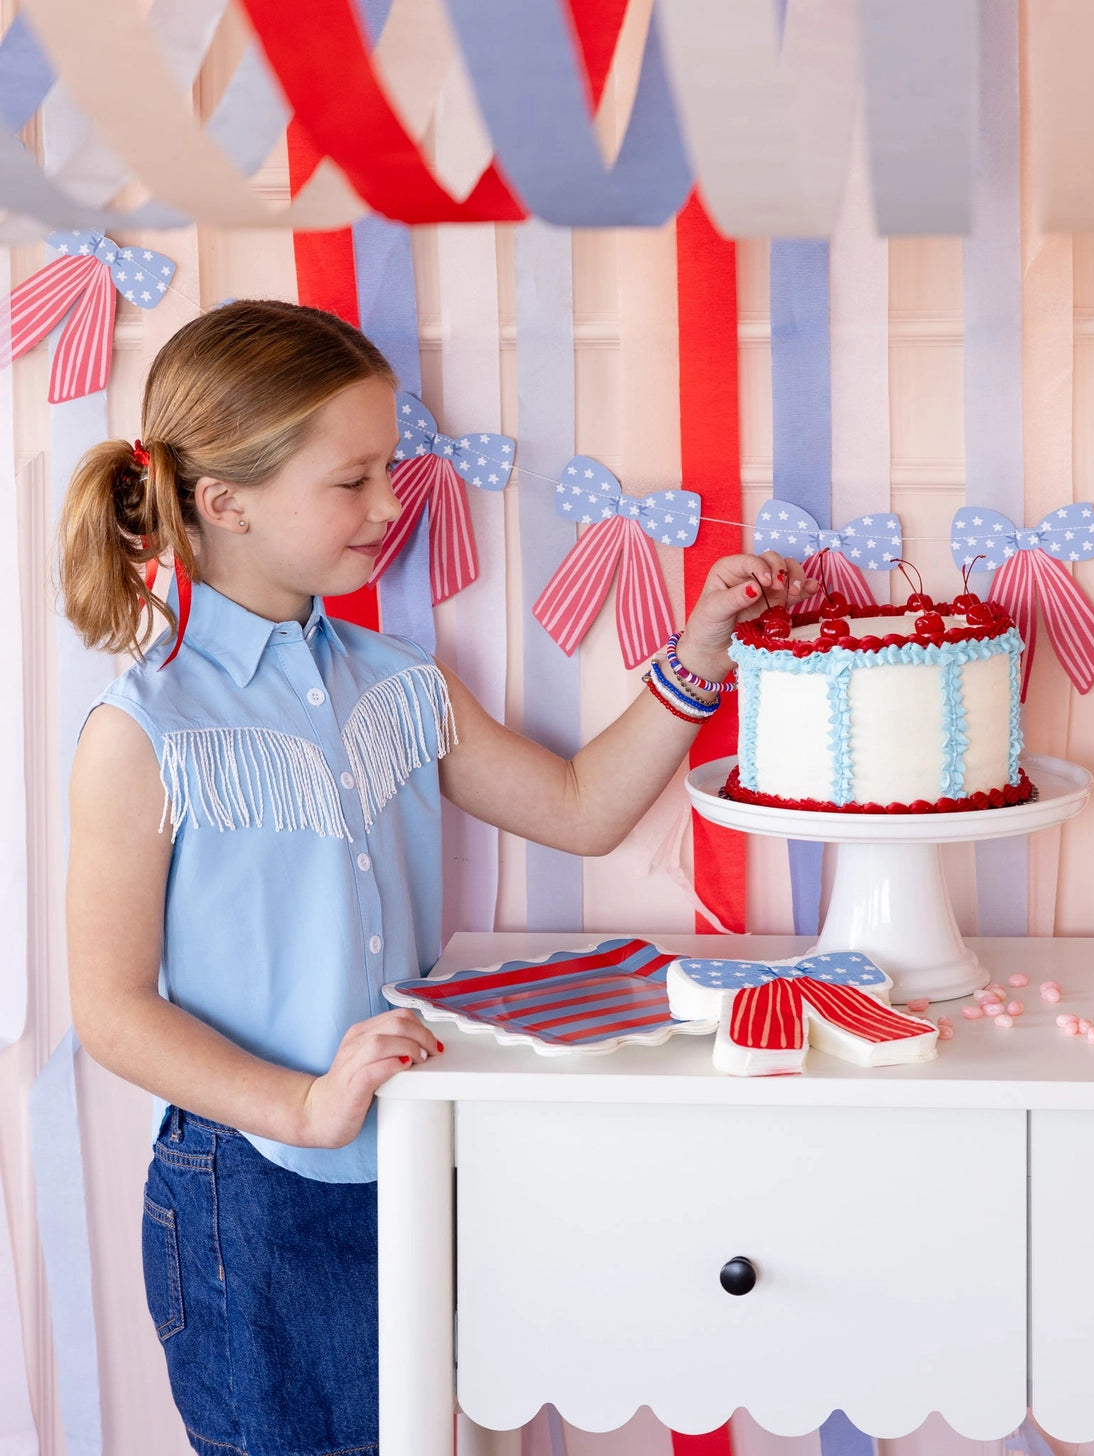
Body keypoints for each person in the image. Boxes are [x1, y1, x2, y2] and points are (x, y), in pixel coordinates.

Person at [61, 299, 815, 1456]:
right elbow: (111, 1011)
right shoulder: (143, 728)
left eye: (391, 470)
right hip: (251, 1183)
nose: (389, 503)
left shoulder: (397, 682)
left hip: (410, 1153)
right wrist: (302, 1107)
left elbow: (582, 810)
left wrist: (701, 649)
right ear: (227, 503)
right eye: (352, 479)